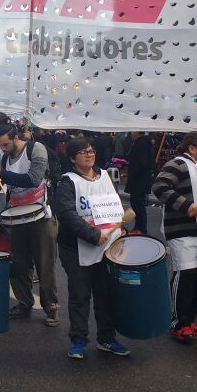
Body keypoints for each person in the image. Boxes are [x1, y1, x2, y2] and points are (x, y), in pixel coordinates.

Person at [54, 137, 131, 359]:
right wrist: (92, 235)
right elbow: (67, 213)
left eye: (91, 151)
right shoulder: (67, 182)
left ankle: (106, 338)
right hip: (76, 247)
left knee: (105, 294)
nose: (89, 155)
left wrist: (121, 230)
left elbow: (114, 206)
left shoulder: (105, 176)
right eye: (83, 152)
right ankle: (78, 339)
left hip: (107, 246)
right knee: (80, 295)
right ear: (72, 158)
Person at [0, 124, 60, 327]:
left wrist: (2, 174)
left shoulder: (35, 149)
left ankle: (50, 306)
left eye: (6, 144)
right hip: (16, 216)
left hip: (41, 215)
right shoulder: (4, 159)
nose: (3, 149)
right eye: (0, 145)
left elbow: (34, 179)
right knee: (18, 264)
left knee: (44, 263)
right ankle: (24, 301)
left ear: (16, 138)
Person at [152, 132, 197, 343]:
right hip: (183, 229)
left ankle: (189, 320)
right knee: (186, 274)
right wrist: (187, 206)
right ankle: (178, 323)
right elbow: (159, 187)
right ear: (192, 148)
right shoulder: (178, 164)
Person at [125, 131, 154, 234]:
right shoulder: (142, 143)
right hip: (140, 179)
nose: (131, 133)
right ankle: (139, 226)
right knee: (137, 203)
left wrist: (133, 174)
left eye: (133, 131)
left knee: (137, 204)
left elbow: (141, 162)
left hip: (139, 180)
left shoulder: (142, 144)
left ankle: (141, 228)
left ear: (137, 132)